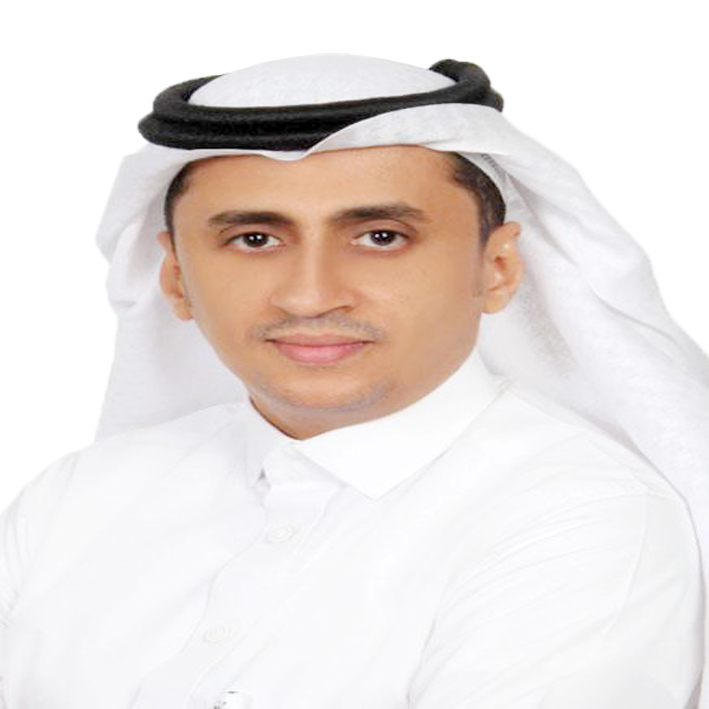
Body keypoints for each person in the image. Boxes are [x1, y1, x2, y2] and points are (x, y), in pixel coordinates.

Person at [0, 54, 708, 709]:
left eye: (380, 236)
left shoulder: (583, 520)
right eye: (254, 239)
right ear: (177, 278)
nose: (309, 296)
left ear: (496, 269)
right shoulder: (73, 499)